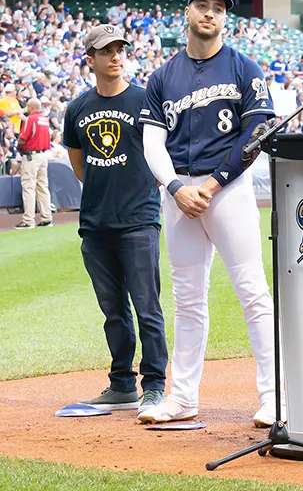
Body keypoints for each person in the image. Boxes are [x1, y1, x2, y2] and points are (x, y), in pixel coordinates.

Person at [137, 0, 278, 428]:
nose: (210, 13)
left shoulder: (244, 67)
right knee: (188, 299)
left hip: (228, 190)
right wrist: (176, 186)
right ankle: (182, 397)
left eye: (219, 7)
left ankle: (277, 397)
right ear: (188, 12)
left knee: (253, 292)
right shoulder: (163, 76)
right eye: (203, 5)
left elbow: (256, 134)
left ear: (225, 17)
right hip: (180, 194)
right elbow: (152, 143)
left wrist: (213, 184)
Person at [64, 26, 168, 416]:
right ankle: (122, 383)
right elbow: (80, 166)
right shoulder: (77, 108)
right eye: (105, 51)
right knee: (113, 312)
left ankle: (155, 386)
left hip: (139, 219)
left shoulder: (145, 101)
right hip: (95, 224)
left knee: (147, 308)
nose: (115, 56)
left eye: (120, 49)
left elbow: (162, 154)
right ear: (90, 59)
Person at [16, 96, 53, 229]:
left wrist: (19, 148)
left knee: (29, 187)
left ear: (30, 107)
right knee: (43, 187)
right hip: (44, 155)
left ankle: (28, 220)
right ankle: (46, 218)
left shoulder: (30, 119)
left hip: (32, 156)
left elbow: (23, 138)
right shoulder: (45, 119)